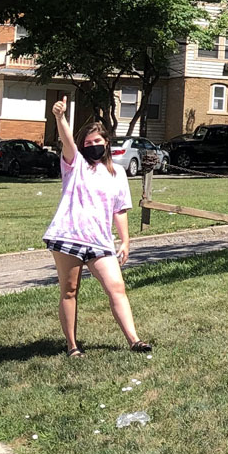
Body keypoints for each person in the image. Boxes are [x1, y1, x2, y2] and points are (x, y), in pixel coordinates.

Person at [42, 96, 152, 357]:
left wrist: (125, 241)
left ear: (106, 144)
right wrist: (60, 118)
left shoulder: (117, 174)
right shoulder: (75, 164)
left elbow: (120, 209)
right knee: (69, 291)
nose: (92, 146)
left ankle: (134, 340)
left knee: (117, 287)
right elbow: (67, 141)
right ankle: (72, 345)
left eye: (97, 142)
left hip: (101, 242)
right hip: (68, 236)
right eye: (87, 143)